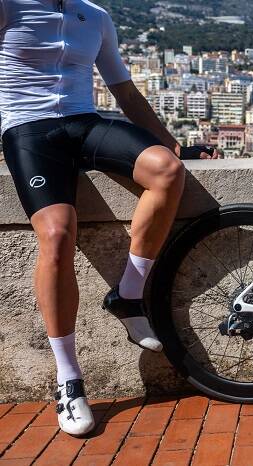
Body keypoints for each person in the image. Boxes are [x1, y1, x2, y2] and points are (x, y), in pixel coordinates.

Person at [0, 0, 219, 436]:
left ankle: (128, 295)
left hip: (84, 123)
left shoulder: (95, 16)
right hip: (28, 130)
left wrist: (174, 146)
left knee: (167, 171)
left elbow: (126, 93)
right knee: (57, 235)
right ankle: (68, 379)